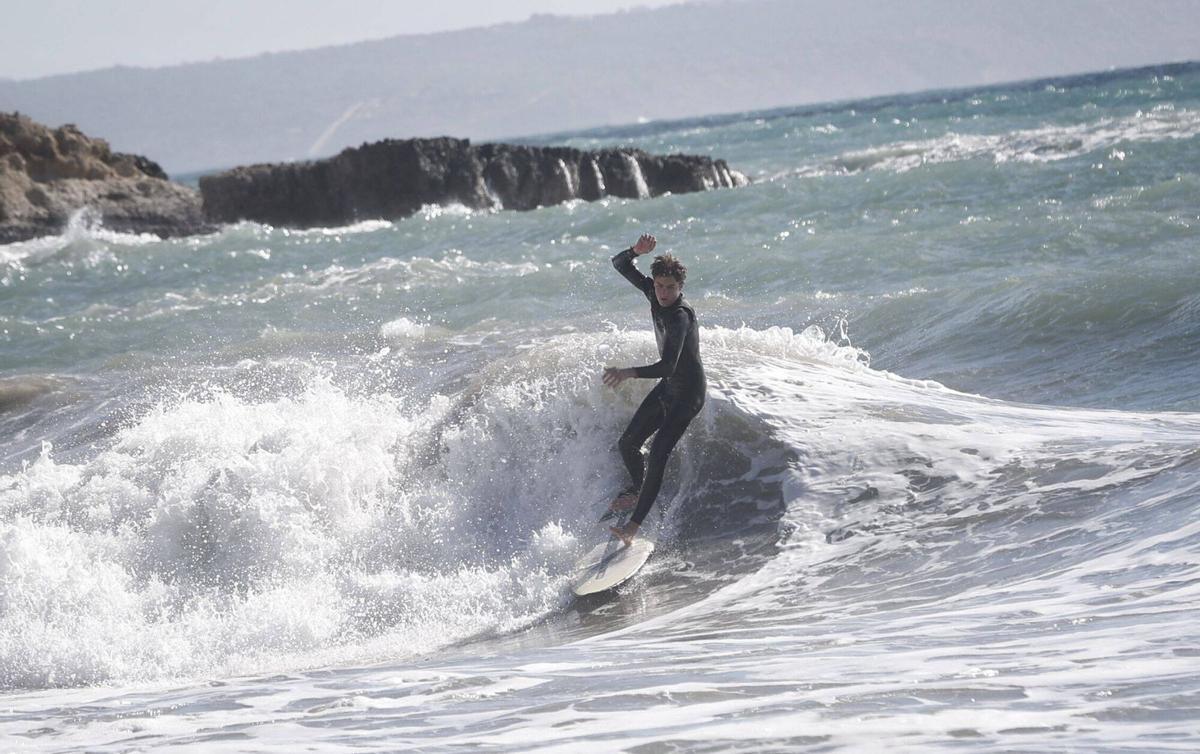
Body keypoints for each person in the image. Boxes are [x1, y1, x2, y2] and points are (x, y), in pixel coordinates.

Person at [603, 233, 706, 545]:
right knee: (628, 443)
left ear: (680, 288)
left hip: (688, 395)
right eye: (659, 286)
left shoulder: (680, 317)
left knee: (658, 454)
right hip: (669, 389)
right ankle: (637, 491)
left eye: (670, 288)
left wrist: (628, 372)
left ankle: (632, 529)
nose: (663, 293)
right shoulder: (652, 292)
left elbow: (668, 366)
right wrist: (635, 250)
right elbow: (620, 264)